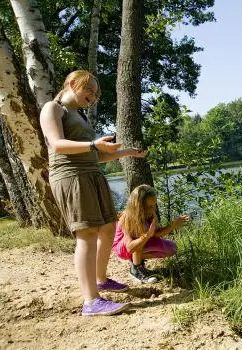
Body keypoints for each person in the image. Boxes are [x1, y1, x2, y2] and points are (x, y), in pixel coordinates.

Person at [40, 70, 148, 316]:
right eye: (89, 89)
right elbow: (57, 144)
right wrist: (93, 144)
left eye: (96, 93)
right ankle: (91, 301)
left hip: (91, 174)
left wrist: (126, 152)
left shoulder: (81, 116)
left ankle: (101, 279)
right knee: (87, 233)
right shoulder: (53, 109)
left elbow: (95, 155)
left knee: (109, 225)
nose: (94, 95)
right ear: (71, 83)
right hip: (71, 176)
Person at [112, 185, 189, 283]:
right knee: (141, 229)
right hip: (123, 248)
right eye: (149, 206)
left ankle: (138, 259)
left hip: (141, 241)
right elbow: (130, 248)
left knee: (172, 249)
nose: (153, 209)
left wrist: (172, 225)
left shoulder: (150, 213)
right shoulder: (127, 218)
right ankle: (136, 269)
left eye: (154, 205)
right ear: (138, 206)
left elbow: (156, 234)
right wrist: (147, 235)